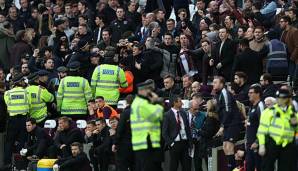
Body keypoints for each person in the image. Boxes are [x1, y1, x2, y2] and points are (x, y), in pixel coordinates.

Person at [257, 88, 298, 171]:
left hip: (287, 144)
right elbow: (262, 130)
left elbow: (296, 129)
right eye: (278, 97)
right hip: (271, 143)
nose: (280, 100)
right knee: (267, 167)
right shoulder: (269, 111)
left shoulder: (292, 113)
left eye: (283, 98)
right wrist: (261, 145)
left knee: (286, 168)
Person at [131, 79, 164, 171]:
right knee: (148, 167)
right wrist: (157, 102)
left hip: (144, 141)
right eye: (148, 90)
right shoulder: (142, 103)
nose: (150, 92)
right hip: (145, 142)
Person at [213, 76, 243, 171]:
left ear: (221, 84)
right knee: (225, 147)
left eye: (215, 82)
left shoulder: (225, 92)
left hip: (233, 123)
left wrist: (222, 126)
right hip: (227, 124)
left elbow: (228, 110)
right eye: (213, 82)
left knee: (229, 146)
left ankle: (235, 168)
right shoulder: (218, 94)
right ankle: (233, 167)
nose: (213, 84)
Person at [3, 73, 29, 166]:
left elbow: (6, 104)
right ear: (21, 82)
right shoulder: (26, 92)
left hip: (12, 120)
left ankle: (7, 163)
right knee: (22, 141)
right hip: (23, 120)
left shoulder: (8, 93)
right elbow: (29, 104)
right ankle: (20, 164)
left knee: (9, 142)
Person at [162, 96, 192, 171]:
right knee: (174, 166)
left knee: (187, 166)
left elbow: (187, 128)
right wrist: (171, 143)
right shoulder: (167, 115)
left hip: (185, 143)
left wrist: (190, 142)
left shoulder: (183, 113)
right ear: (174, 103)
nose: (182, 103)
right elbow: (164, 133)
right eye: (180, 101)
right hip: (175, 144)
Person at [195, 99, 220, 171]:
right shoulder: (212, 117)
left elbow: (208, 133)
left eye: (207, 104)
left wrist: (198, 131)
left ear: (210, 107)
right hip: (209, 145)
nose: (205, 106)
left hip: (209, 146)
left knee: (210, 167)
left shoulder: (211, 118)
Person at [244, 84, 264, 171]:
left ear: (258, 94)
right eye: (248, 92)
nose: (249, 94)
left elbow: (264, 124)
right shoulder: (252, 106)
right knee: (249, 167)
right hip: (249, 144)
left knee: (260, 167)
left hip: (257, 144)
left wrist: (257, 141)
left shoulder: (260, 105)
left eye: (251, 93)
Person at [113, 95, 135, 171]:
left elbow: (120, 129)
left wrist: (115, 143)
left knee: (122, 166)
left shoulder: (125, 113)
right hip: (137, 144)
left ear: (126, 102)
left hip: (125, 145)